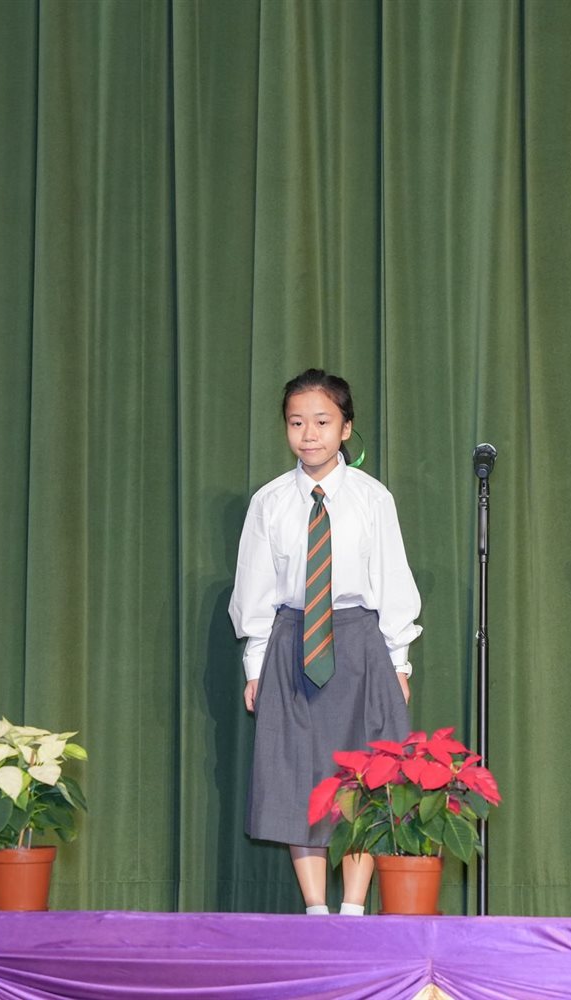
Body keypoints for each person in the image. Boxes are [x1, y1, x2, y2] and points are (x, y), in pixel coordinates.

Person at [229, 368, 421, 915]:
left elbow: (393, 580)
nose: (309, 434)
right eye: (297, 423)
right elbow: (255, 590)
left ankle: (354, 908)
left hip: (359, 644)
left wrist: (398, 661)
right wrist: (255, 667)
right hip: (293, 643)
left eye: (321, 422)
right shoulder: (269, 502)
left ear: (345, 428)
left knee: (362, 774)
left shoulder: (372, 498)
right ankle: (315, 909)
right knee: (299, 773)